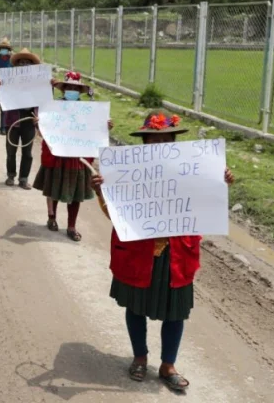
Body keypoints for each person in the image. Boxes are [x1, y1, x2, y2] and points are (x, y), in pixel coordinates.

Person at [91, 112, 235, 393]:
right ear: (144, 144)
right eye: (153, 142)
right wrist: (101, 192)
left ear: (175, 143)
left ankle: (168, 365)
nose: (159, 146)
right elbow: (115, 214)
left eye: (165, 141)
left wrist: (220, 182)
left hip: (177, 254)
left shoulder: (191, 171)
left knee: (176, 312)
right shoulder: (129, 173)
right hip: (137, 253)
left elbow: (209, 204)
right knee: (135, 306)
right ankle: (140, 357)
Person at [33, 71, 113, 241]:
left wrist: (106, 127)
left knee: (76, 193)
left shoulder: (90, 111)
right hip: (58, 155)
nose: (72, 90)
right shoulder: (53, 108)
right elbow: (44, 131)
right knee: (55, 188)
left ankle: (71, 225)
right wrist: (39, 124)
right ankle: (52, 217)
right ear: (63, 90)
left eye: (75, 88)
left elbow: (96, 132)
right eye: (69, 87)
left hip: (78, 157)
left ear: (81, 92)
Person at [1, 48, 42, 189]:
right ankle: (10, 175)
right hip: (12, 119)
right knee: (11, 151)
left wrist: (51, 85)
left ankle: (23, 178)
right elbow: (2, 95)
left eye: (27, 62)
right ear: (16, 65)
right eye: (21, 62)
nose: (24, 65)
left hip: (29, 120)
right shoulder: (9, 80)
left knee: (27, 152)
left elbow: (45, 99)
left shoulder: (38, 82)